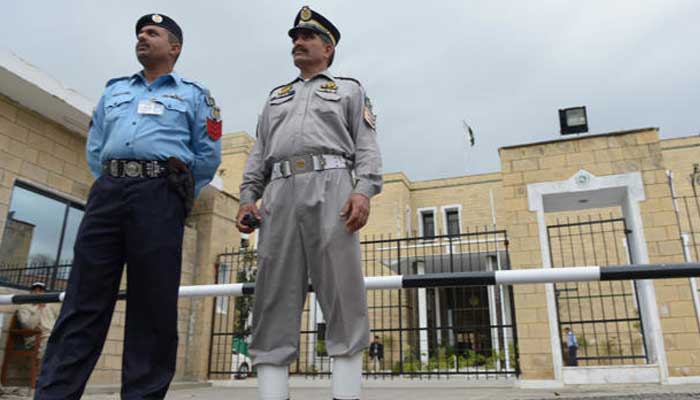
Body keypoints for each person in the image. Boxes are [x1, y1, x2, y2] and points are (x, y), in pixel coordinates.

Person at [34, 13, 221, 399]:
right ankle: (54, 393)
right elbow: (96, 147)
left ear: (174, 47)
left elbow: (206, 157)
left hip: (160, 194)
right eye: (139, 32)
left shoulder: (193, 95)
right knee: (82, 300)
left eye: (153, 33)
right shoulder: (114, 90)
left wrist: (174, 193)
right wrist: (116, 178)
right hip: (108, 192)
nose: (142, 37)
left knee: (152, 306)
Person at [237, 6, 382, 400]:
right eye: (294, 38)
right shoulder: (275, 97)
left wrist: (362, 191)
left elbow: (366, 147)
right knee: (272, 290)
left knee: (342, 288)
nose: (297, 42)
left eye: (306, 37)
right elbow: (259, 152)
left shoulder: (349, 90)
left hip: (332, 185)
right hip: (280, 192)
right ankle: (272, 393)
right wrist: (248, 197)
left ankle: (345, 394)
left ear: (328, 47)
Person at [15, 282, 60, 362]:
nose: (37, 293)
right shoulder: (24, 307)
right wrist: (38, 309)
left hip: (51, 335)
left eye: (40, 291)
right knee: (51, 341)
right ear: (31, 292)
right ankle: (45, 369)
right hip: (35, 338)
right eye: (35, 290)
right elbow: (28, 326)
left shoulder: (49, 306)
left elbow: (57, 321)